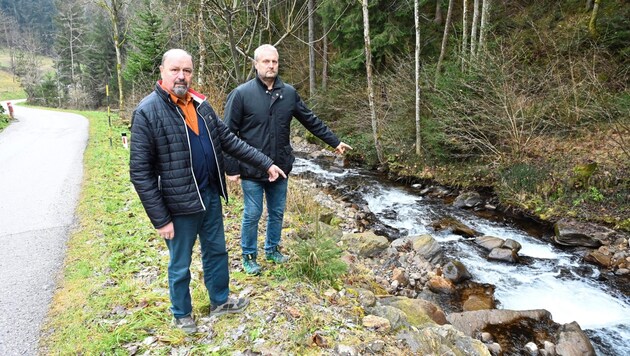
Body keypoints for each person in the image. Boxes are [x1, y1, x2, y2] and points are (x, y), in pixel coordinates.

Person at [130, 48, 286, 334]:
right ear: (162, 72)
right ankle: (182, 313)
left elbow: (230, 141)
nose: (181, 76)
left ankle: (220, 301)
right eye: (175, 70)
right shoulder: (147, 112)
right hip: (178, 205)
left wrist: (266, 163)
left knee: (216, 252)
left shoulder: (201, 104)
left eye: (187, 71)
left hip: (210, 194)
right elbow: (140, 173)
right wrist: (159, 218)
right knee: (180, 263)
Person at [223, 44, 352, 275]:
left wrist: (334, 142)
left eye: (274, 61)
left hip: (281, 166)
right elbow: (227, 133)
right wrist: (231, 167)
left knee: (277, 212)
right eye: (266, 61)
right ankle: (249, 255)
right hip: (252, 167)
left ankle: (272, 249)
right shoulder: (241, 94)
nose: (271, 65)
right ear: (256, 64)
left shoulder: (289, 93)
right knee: (252, 213)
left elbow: (310, 120)